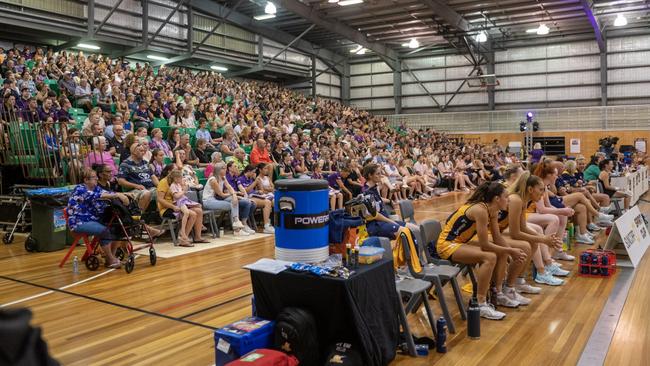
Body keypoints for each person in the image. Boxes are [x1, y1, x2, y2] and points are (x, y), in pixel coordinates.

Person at [436, 182, 526, 320]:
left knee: (501, 253)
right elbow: (485, 245)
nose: (509, 200)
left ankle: (498, 292)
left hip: (461, 242)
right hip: (446, 245)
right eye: (506, 197)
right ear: (497, 199)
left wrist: (509, 251)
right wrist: (511, 250)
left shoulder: (493, 211)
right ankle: (480, 303)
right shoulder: (480, 210)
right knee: (489, 257)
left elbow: (497, 238)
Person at [507, 171, 566, 286]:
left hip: (500, 230)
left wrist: (544, 238)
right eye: (541, 190)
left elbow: (523, 227)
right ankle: (510, 285)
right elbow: (515, 233)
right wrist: (543, 239)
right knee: (528, 244)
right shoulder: (516, 200)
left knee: (534, 241)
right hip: (490, 233)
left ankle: (520, 280)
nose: (543, 193)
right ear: (530, 189)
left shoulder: (522, 201)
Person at [67, 168, 130, 268]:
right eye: (93, 177)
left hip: (94, 220)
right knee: (104, 231)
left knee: (117, 226)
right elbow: (97, 195)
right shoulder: (79, 189)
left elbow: (108, 193)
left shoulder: (96, 188)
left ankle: (112, 257)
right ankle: (110, 259)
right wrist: (118, 195)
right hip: (79, 222)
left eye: (96, 177)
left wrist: (124, 194)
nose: (96, 179)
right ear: (86, 180)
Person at [202, 162, 255, 236]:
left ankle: (237, 226)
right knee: (233, 203)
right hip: (208, 201)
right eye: (224, 169)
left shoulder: (223, 177)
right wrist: (234, 195)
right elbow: (221, 194)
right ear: (219, 170)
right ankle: (237, 228)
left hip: (216, 199)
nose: (226, 170)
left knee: (235, 200)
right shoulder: (213, 180)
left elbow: (229, 187)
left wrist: (234, 194)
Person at [117, 143, 158, 211]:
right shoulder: (125, 164)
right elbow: (120, 181)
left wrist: (160, 186)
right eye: (141, 151)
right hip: (134, 190)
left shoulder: (145, 162)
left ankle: (158, 216)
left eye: (144, 151)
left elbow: (153, 176)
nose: (143, 153)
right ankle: (138, 216)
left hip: (150, 187)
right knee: (146, 193)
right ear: (134, 152)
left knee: (162, 192)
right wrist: (136, 186)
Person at [237, 164, 275, 234]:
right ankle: (266, 226)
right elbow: (246, 191)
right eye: (253, 172)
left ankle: (269, 224)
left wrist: (258, 191)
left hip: (254, 195)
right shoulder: (240, 179)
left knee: (270, 201)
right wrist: (255, 182)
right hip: (248, 197)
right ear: (248, 171)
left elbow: (254, 190)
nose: (254, 174)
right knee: (267, 202)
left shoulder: (251, 179)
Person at [168, 170, 201, 246]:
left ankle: (200, 226)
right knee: (187, 213)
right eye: (180, 178)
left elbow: (182, 190)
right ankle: (182, 231)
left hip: (184, 200)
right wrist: (184, 191)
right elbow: (176, 196)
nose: (182, 179)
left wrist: (184, 186)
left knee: (199, 206)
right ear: (176, 179)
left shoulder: (178, 185)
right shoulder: (173, 186)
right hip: (179, 202)